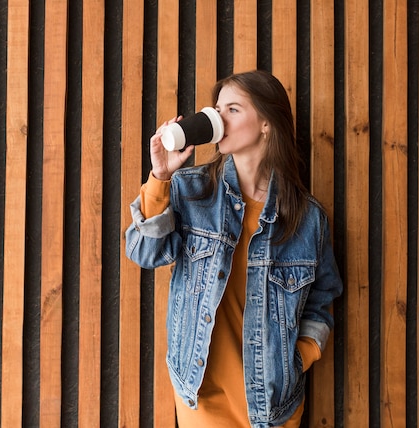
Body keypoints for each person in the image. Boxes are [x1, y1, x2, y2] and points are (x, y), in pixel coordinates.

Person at [125, 69, 343, 427]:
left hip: (274, 404)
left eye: (232, 109)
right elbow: (144, 254)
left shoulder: (308, 219)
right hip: (202, 395)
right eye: (217, 108)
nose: (218, 118)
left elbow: (322, 303)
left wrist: (298, 358)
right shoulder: (191, 191)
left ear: (266, 124)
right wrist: (160, 176)